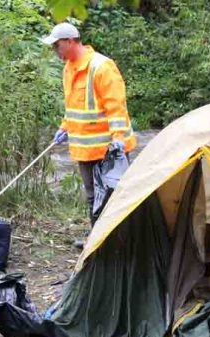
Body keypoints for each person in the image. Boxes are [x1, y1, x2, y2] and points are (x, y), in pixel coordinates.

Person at [42, 22, 137, 245]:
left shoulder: (101, 67)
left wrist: (117, 140)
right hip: (84, 148)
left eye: (58, 45)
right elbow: (74, 106)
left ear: (71, 41)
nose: (56, 50)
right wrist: (64, 127)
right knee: (93, 195)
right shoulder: (69, 68)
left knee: (114, 195)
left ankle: (122, 241)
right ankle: (97, 240)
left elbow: (116, 108)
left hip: (109, 149)